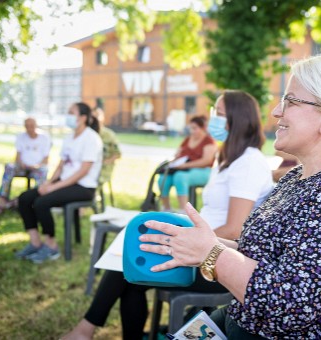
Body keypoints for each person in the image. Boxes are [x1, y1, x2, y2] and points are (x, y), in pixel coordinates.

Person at [140, 55, 321, 339]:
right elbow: (267, 252)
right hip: (242, 320)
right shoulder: (300, 177)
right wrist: (202, 243)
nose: (276, 111)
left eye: (290, 101)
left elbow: (291, 305)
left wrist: (212, 254)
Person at [62, 90, 274, 340]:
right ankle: (100, 331)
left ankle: (84, 330)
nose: (212, 119)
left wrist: (182, 242)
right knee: (130, 266)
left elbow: (235, 229)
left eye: (218, 114)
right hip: (200, 251)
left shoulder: (248, 163)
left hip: (214, 263)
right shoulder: (228, 157)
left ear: (237, 119)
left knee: (127, 264)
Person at [15, 102, 103, 264]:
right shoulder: (69, 137)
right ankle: (35, 242)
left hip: (83, 187)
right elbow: (62, 165)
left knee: (42, 203)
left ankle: (51, 246)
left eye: (71, 112)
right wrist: (48, 183)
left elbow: (83, 171)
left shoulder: (92, 139)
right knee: (25, 198)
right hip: (65, 182)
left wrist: (54, 188)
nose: (67, 115)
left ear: (83, 118)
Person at [158, 115, 217, 212]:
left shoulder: (209, 141)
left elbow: (206, 161)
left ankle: (184, 211)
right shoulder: (187, 140)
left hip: (203, 171)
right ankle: (166, 208)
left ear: (203, 128)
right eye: (191, 128)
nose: (192, 131)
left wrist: (185, 165)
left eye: (195, 128)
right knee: (163, 178)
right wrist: (175, 160)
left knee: (180, 177)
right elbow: (178, 154)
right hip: (184, 169)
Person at [0, 117, 51, 216]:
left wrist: (36, 166)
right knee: (9, 167)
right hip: (22, 166)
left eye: (32, 126)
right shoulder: (21, 137)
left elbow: (46, 159)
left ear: (36, 126)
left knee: (43, 171)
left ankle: (34, 201)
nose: (30, 129)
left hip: (37, 168)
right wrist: (22, 164)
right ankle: (2, 202)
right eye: (27, 126)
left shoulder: (44, 138)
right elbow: (18, 156)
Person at [91, 107, 121, 186]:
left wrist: (104, 162)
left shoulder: (109, 135)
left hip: (103, 169)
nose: (95, 119)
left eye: (97, 116)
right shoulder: (88, 134)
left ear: (103, 118)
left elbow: (117, 154)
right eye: (93, 116)